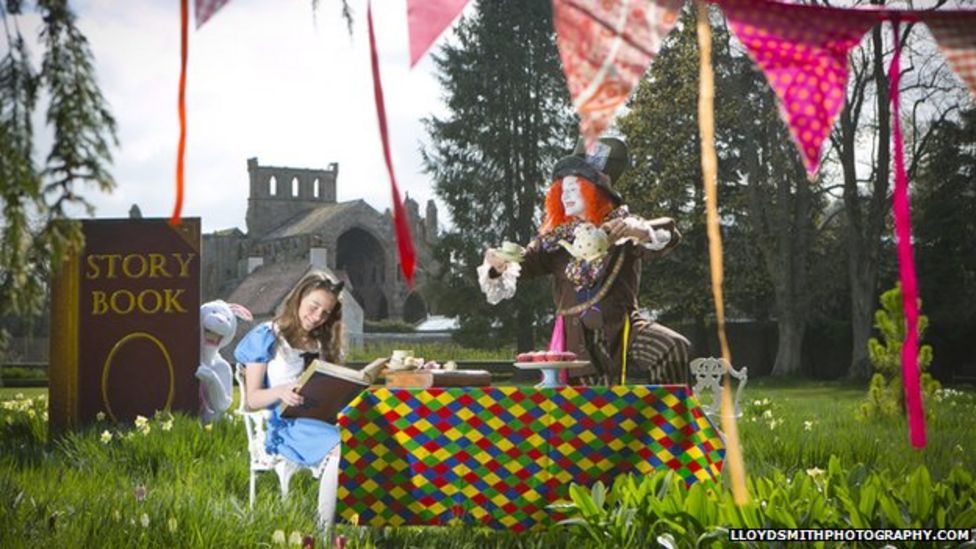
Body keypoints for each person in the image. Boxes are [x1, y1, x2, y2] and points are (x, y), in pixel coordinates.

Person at [478, 137, 691, 385]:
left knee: (673, 347)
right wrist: (497, 264)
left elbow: (667, 236)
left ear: (595, 192)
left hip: (623, 329)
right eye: (562, 190)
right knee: (592, 408)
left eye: (574, 188)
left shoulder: (622, 227)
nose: (566, 196)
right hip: (576, 339)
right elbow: (523, 263)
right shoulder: (554, 241)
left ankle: (669, 420)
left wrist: (639, 230)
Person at [234, 270, 348, 529]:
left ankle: (366, 527)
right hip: (286, 425)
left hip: (321, 418)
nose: (317, 316)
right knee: (343, 447)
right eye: (314, 306)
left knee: (370, 440)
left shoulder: (321, 341)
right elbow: (251, 399)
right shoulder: (268, 336)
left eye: (325, 313)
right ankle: (324, 534)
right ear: (299, 298)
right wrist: (280, 391)